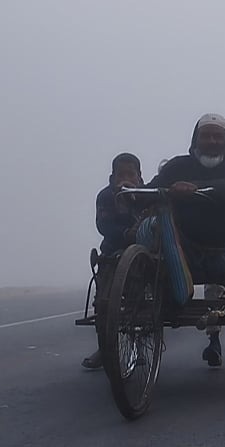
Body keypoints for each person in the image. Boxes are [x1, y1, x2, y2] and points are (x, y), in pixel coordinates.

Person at [146, 113, 225, 367]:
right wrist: (127, 194)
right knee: (150, 232)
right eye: (206, 136)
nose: (212, 141)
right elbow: (153, 188)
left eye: (218, 136)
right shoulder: (176, 167)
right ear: (196, 139)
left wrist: (194, 186)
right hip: (185, 252)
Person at [82, 152, 144, 369]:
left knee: (139, 299)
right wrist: (126, 232)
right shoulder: (105, 197)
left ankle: (138, 342)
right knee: (103, 301)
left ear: (139, 178)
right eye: (121, 175)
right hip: (113, 252)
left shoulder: (147, 195)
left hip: (143, 254)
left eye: (131, 174)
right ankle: (105, 347)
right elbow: (104, 226)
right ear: (112, 178)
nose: (125, 179)